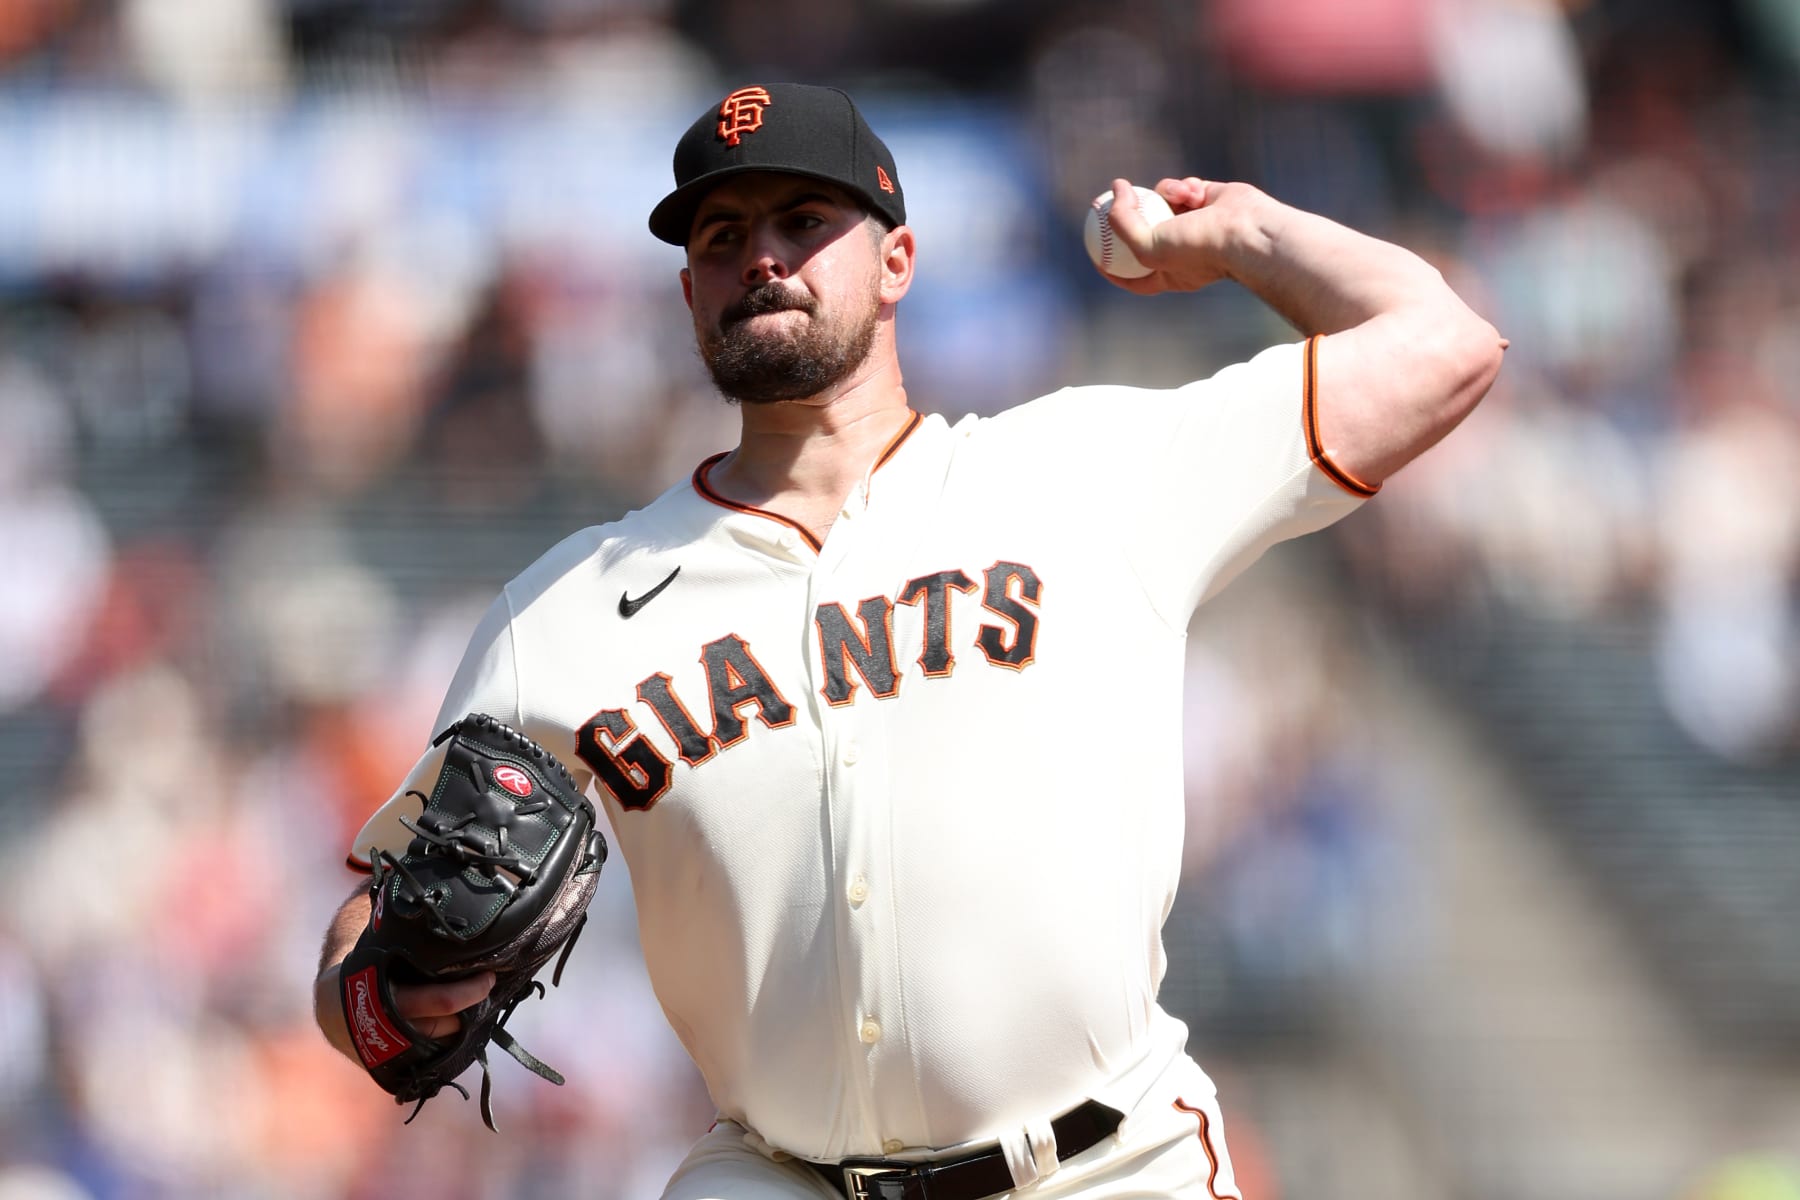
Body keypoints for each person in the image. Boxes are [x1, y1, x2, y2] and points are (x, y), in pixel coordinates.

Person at [313, 82, 1505, 1199]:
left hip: (1104, 1166)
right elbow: (367, 933)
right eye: (719, 237)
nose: (760, 257)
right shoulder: (561, 616)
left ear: (897, 263)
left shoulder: (1088, 473)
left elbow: (1443, 345)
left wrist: (1243, 233)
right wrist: (395, 998)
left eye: (801, 219)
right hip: (775, 1175)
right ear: (687, 294)